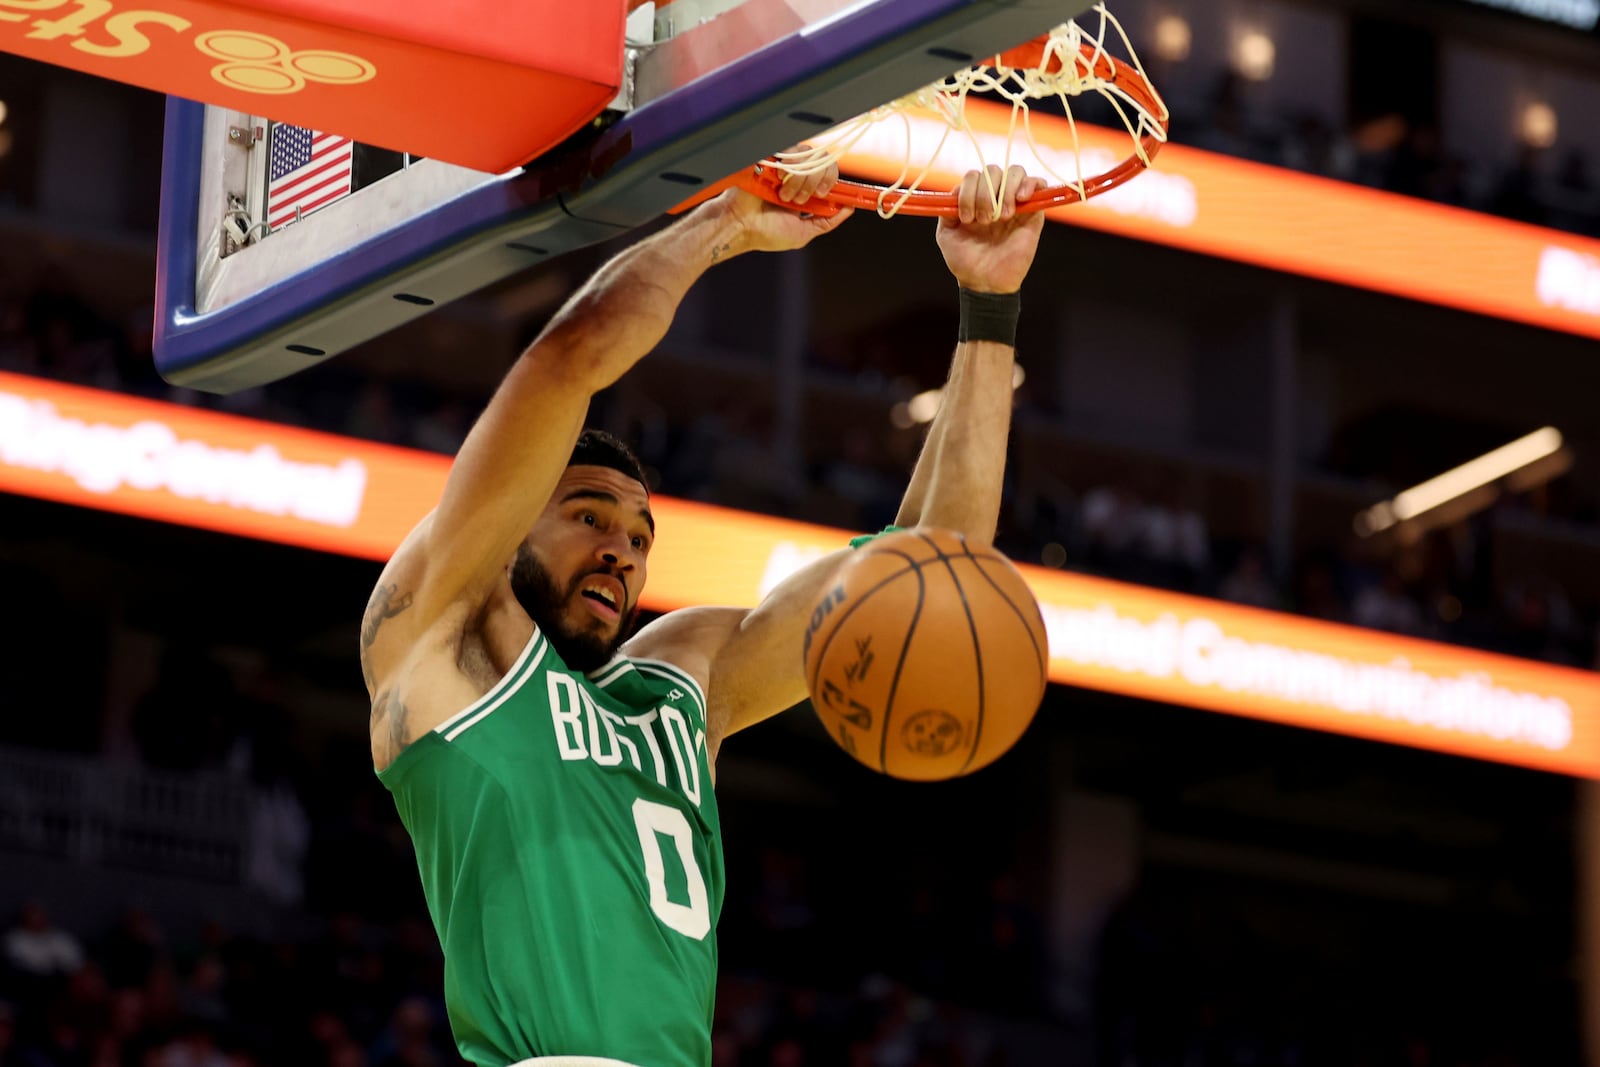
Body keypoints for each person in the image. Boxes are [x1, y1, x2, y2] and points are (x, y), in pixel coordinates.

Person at [360, 161, 1048, 1067]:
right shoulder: (443, 633)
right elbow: (569, 359)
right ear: (510, 516)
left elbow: (933, 563)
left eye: (641, 538)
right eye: (590, 517)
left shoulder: (685, 677)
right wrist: (724, 223)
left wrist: (988, 306)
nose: (623, 550)